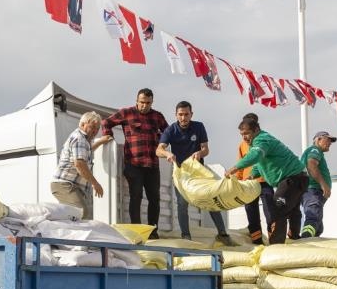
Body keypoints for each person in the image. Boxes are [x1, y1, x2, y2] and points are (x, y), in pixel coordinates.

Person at [157, 101, 233, 245]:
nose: (183, 118)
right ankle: (186, 236)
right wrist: (166, 154)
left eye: (186, 114)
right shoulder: (170, 130)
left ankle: (223, 234)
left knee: (211, 199)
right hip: (181, 174)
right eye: (180, 115)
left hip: (199, 173)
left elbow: (206, 149)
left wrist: (200, 153)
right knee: (182, 204)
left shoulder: (198, 127)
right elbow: (158, 149)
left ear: (191, 114)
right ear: (176, 115)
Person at [97, 88, 168, 237]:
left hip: (152, 165)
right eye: (142, 102)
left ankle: (153, 231)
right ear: (137, 101)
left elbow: (167, 132)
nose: (144, 105)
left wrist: (163, 143)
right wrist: (108, 136)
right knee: (136, 196)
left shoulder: (157, 116)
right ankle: (137, 231)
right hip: (133, 163)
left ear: (152, 102)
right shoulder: (126, 113)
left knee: (154, 198)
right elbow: (106, 122)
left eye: (148, 103)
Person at [225, 118, 307, 245]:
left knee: (277, 208)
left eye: (246, 133)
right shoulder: (260, 142)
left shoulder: (262, 140)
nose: (244, 138)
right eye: (242, 135)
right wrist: (251, 177)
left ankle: (276, 245)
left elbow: (256, 156)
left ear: (256, 130)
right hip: (297, 179)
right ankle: (294, 239)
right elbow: (259, 164)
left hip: (293, 179)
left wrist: (234, 168)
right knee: (292, 210)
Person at [51, 111, 107, 220]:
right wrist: (95, 184)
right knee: (81, 212)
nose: (95, 131)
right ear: (82, 125)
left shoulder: (83, 140)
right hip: (66, 185)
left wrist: (100, 142)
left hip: (69, 186)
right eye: (93, 127)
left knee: (79, 214)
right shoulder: (80, 139)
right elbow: (80, 164)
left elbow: (86, 152)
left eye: (97, 128)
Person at [234, 113, 273, 244]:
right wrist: (238, 182)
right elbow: (240, 166)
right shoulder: (242, 145)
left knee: (270, 212)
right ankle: (257, 242)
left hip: (264, 181)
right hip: (248, 184)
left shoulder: (264, 140)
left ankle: (274, 241)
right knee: (251, 213)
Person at [300, 131, 337, 238]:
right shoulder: (315, 150)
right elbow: (311, 164)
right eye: (328, 139)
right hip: (313, 191)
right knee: (313, 217)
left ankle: (311, 241)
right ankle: (306, 240)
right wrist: (323, 184)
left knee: (318, 226)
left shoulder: (315, 152)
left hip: (312, 192)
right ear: (318, 139)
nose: (330, 143)